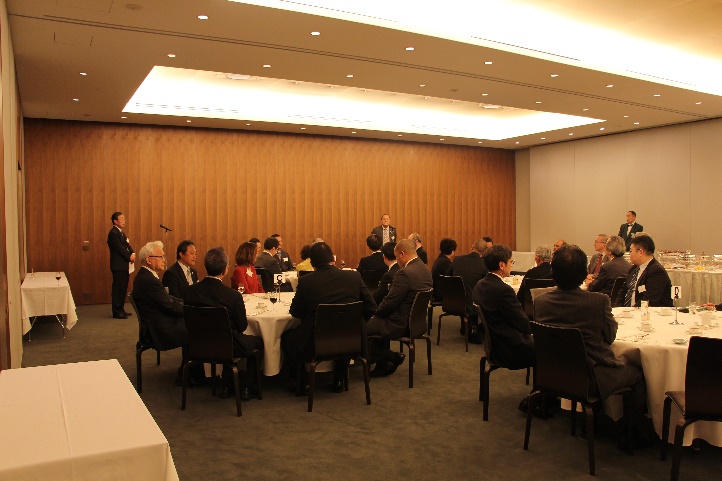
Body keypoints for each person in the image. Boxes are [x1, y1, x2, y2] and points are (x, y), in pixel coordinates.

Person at [534, 245, 647, 442]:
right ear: (583, 273)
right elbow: (610, 336)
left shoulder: (541, 301)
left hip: (552, 374)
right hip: (590, 378)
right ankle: (634, 435)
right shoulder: (598, 301)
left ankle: (593, 420)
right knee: (638, 374)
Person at [283, 242, 376, 392]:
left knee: (287, 337)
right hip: (350, 340)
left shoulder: (307, 282)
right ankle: (339, 378)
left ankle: (302, 382)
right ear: (332, 258)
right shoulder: (353, 277)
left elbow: (295, 312)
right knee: (340, 329)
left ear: (312, 263)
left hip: (314, 343)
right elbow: (371, 306)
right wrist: (355, 323)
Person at [184, 247, 264, 399]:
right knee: (258, 342)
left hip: (197, 346)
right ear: (225, 269)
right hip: (228, 348)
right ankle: (247, 386)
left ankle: (227, 383)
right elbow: (242, 326)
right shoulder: (232, 296)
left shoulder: (190, 292)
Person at [366, 239, 433, 377]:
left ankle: (390, 356)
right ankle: (383, 361)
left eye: (397, 257)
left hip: (400, 324)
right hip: (417, 323)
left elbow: (390, 302)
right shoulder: (425, 269)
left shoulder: (405, 273)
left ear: (402, 254)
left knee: (364, 327)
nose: (397, 261)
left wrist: (375, 314)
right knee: (376, 322)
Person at [131, 241, 193, 383]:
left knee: (193, 323)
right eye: (160, 257)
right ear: (148, 259)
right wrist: (192, 309)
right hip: (159, 330)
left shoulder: (146, 276)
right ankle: (187, 374)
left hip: (158, 322)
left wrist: (186, 304)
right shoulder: (147, 280)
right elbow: (170, 306)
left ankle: (190, 370)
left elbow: (168, 299)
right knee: (197, 327)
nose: (164, 260)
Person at [472, 244, 534, 370]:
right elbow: (522, 322)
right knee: (549, 345)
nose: (512, 264)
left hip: (493, 345)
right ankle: (543, 386)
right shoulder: (504, 290)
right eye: (511, 261)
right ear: (502, 265)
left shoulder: (479, 284)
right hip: (510, 348)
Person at [448, 239, 489, 343]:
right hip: (473, 305)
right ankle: (477, 328)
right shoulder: (484, 265)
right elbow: (488, 284)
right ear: (485, 252)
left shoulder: (457, 260)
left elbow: (447, 276)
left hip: (453, 302)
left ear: (472, 247)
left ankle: (467, 326)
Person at [615, 234, 673, 307]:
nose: (629, 254)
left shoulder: (656, 271)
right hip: (628, 313)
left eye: (631, 251)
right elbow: (622, 293)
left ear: (641, 252)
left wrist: (630, 312)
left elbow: (648, 301)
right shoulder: (634, 269)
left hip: (647, 314)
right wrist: (619, 309)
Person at [107, 211, 135, 319]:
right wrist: (129, 256)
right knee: (118, 288)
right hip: (118, 265)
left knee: (123, 288)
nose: (124, 220)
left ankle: (121, 309)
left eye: (124, 218)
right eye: (122, 218)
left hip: (124, 265)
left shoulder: (122, 233)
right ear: (115, 221)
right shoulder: (113, 233)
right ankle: (116, 311)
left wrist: (132, 253)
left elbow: (127, 245)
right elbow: (120, 249)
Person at [431, 237, 457, 301]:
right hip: (442, 296)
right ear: (452, 251)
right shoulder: (446, 263)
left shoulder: (440, 260)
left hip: (437, 293)